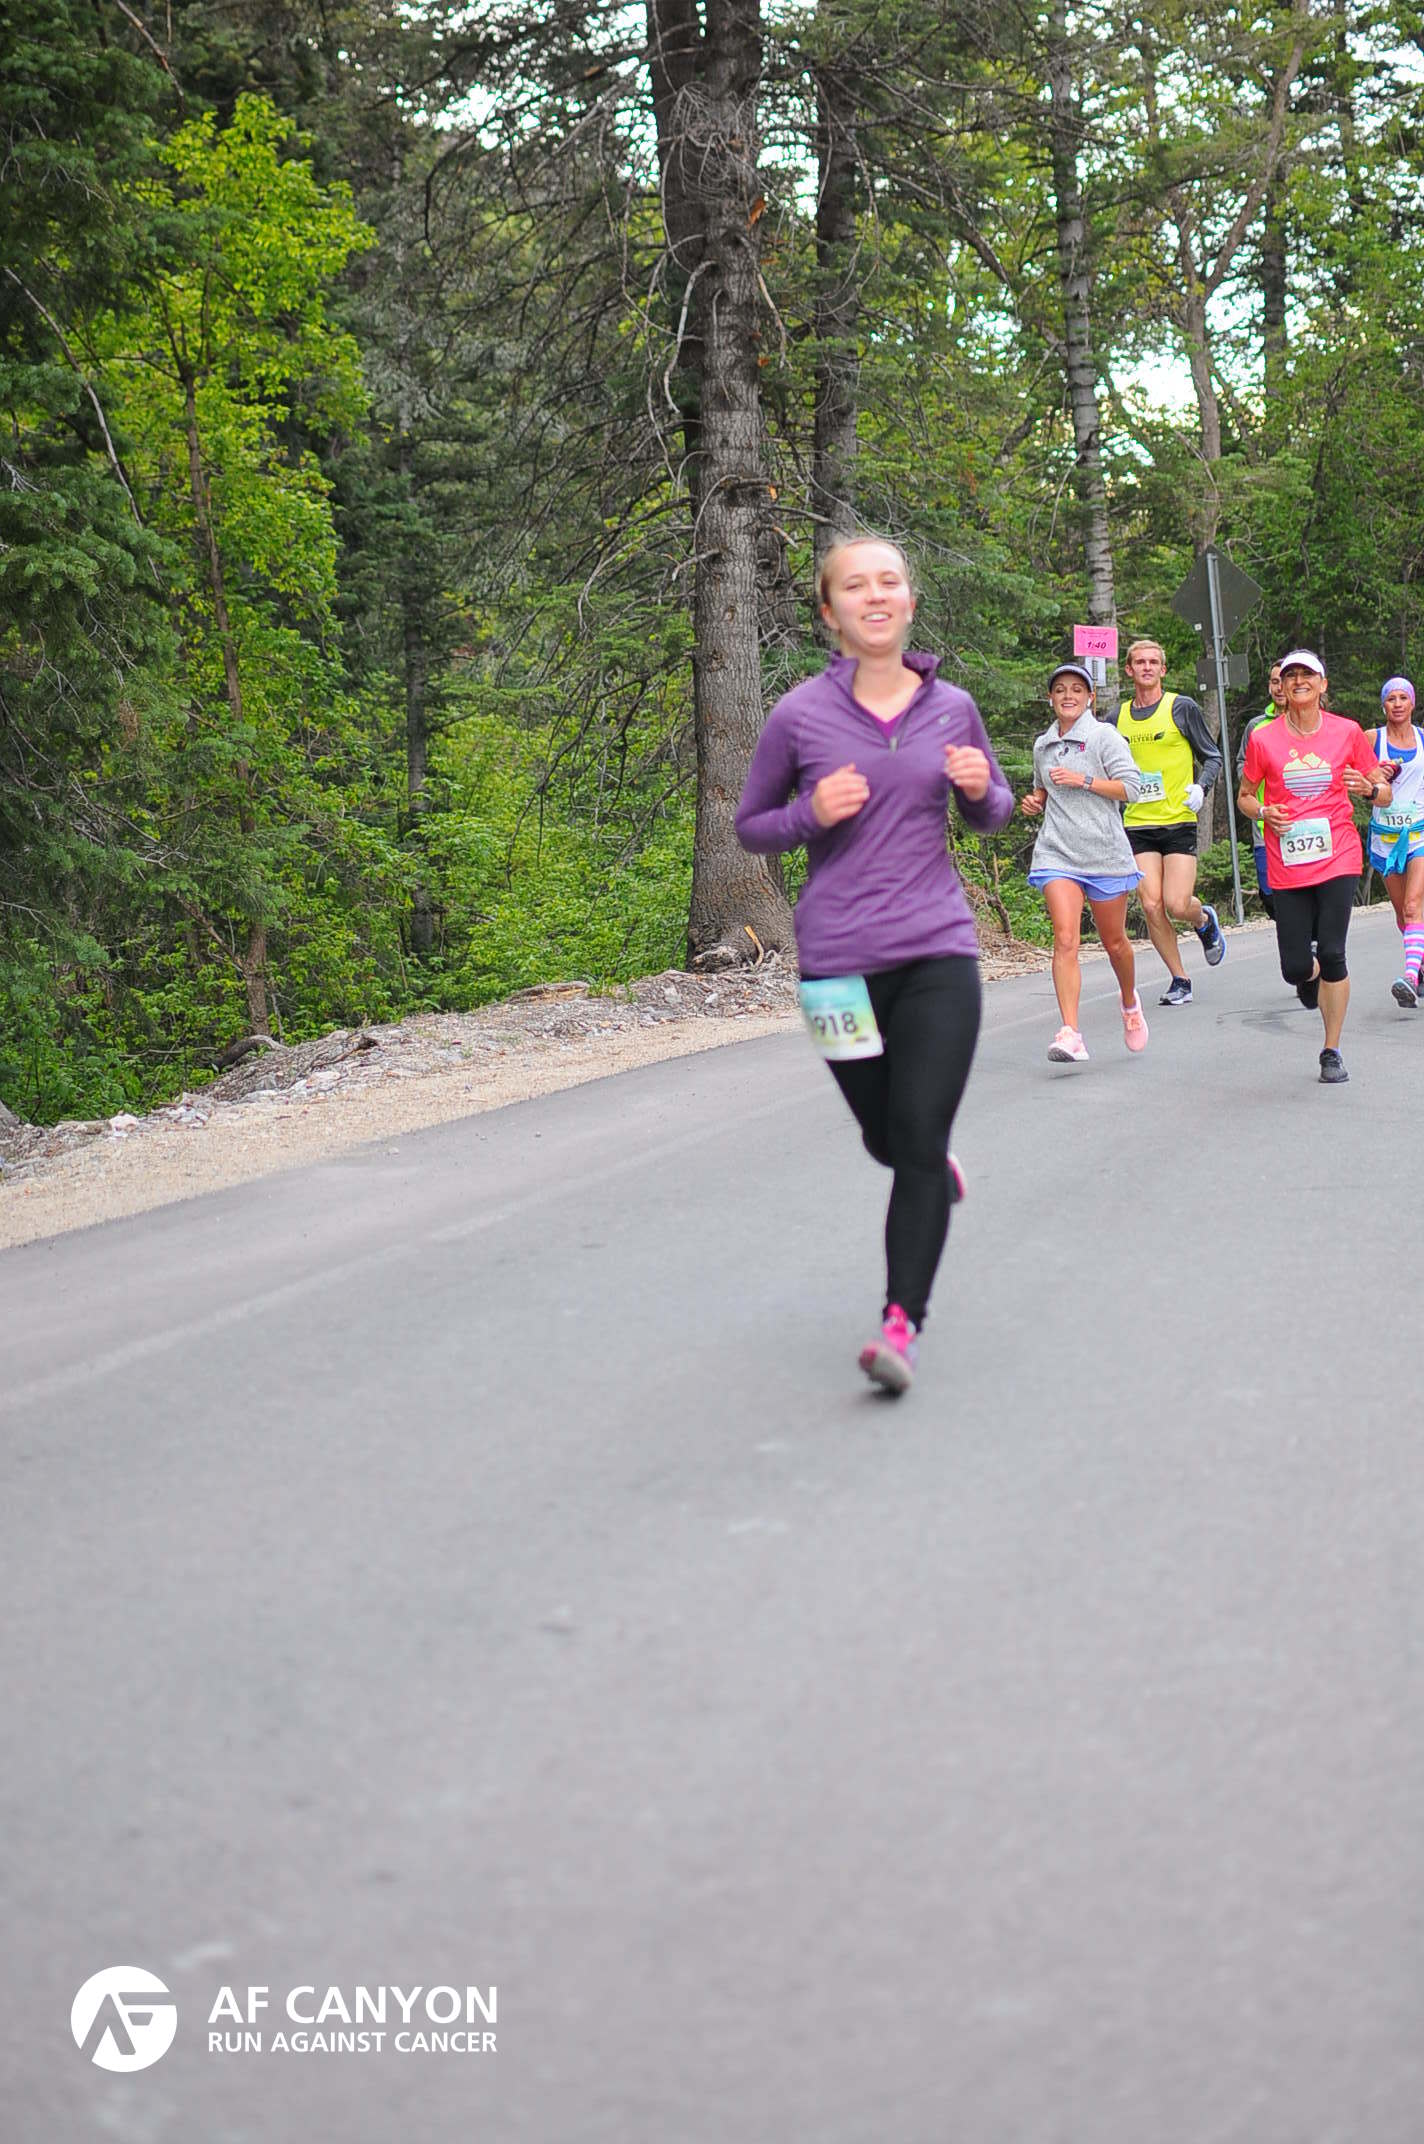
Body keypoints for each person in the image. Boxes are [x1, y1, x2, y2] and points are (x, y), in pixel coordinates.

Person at [735, 534, 1014, 1395]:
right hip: (834, 965)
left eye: (889, 581)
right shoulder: (799, 716)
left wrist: (980, 791)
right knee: (882, 1135)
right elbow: (751, 827)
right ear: (831, 612)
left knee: (918, 1139)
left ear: (909, 602)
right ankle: (921, 1158)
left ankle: (901, 1324)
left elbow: (995, 811)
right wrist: (810, 813)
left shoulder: (953, 708)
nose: (875, 595)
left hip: (937, 952)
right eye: (855, 586)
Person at [1237, 648, 1392, 1083]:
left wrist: (1369, 789)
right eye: (1291, 676)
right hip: (1288, 862)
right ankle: (1312, 974)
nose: (1299, 681)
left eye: (1308, 674)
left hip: (1338, 854)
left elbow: (1383, 793)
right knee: (1295, 967)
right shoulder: (1264, 738)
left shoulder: (1347, 732)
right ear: (1282, 688)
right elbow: (1245, 796)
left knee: (1333, 950)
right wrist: (1263, 812)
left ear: (1323, 685)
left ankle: (1331, 1050)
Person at [1021, 661, 1149, 1063]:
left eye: (1077, 689)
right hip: (1057, 852)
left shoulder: (1103, 737)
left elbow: (1132, 788)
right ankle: (1071, 1033)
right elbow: (1042, 788)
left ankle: (1129, 1002)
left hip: (1104, 854)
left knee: (1115, 943)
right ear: (1050, 698)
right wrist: (1035, 801)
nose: (1068, 696)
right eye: (1060, 689)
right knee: (1065, 939)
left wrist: (1085, 781)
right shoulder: (1043, 745)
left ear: (1090, 698)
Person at [1117, 637, 1227, 1002]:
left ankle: (1203, 920)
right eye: (1139, 662)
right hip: (1138, 823)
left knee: (1177, 904)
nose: (1146, 667)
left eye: (1153, 662)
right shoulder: (1116, 718)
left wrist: (1201, 788)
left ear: (1162, 669)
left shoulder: (1181, 707)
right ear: (1129, 670)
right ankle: (1180, 979)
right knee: (1151, 905)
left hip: (1178, 818)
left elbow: (1212, 756)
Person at [1366, 676, 1424, 1007]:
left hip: (1419, 833)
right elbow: (1352, 777)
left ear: (1412, 703)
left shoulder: (1423, 739)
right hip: (1385, 839)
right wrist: (1375, 775)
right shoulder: (1372, 739)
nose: (1398, 704)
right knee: (1403, 914)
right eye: (1392, 698)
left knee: (1414, 906)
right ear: (1383, 705)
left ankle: (1409, 977)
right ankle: (1420, 961)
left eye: (1404, 698)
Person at [1236, 662, 1284, 919]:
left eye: (1284, 681)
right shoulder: (1256, 726)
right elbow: (1242, 763)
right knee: (1270, 896)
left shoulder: (1313, 724)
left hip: (1305, 827)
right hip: (1264, 825)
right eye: (1274, 682)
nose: (1280, 688)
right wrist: (1253, 778)